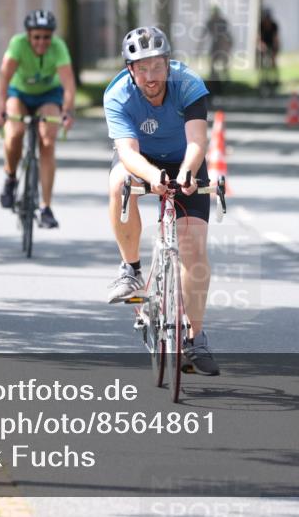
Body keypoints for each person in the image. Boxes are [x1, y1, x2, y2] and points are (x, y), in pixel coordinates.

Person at [103, 26, 220, 376]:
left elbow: (198, 140)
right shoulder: (118, 95)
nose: (151, 76)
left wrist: (186, 171)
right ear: (130, 70)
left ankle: (194, 339)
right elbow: (127, 152)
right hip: (141, 162)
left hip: (186, 158)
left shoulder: (188, 85)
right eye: (143, 68)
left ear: (168, 64)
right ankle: (131, 270)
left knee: (193, 245)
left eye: (157, 66)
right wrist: (153, 177)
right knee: (118, 181)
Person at [0, 10, 76, 229]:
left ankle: (45, 207)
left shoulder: (58, 48)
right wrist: (1, 107)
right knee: (15, 132)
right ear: (28, 35)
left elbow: (68, 83)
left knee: (48, 141)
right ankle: (10, 178)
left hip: (48, 96)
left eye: (46, 37)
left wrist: (67, 111)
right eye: (36, 37)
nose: (41, 42)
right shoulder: (17, 44)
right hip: (19, 93)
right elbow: (4, 77)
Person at [204, 6, 232, 85]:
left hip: (225, 41)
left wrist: (225, 47)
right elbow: (204, 34)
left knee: (224, 60)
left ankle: (226, 79)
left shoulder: (222, 22)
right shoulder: (209, 22)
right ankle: (213, 77)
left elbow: (224, 36)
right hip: (216, 42)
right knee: (212, 59)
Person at [258, 8, 280, 92]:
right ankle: (262, 79)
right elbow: (258, 38)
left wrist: (275, 51)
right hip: (264, 44)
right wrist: (261, 46)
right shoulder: (261, 25)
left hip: (272, 44)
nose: (267, 21)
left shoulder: (274, 25)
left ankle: (276, 79)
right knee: (262, 61)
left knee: (273, 61)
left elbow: (276, 39)